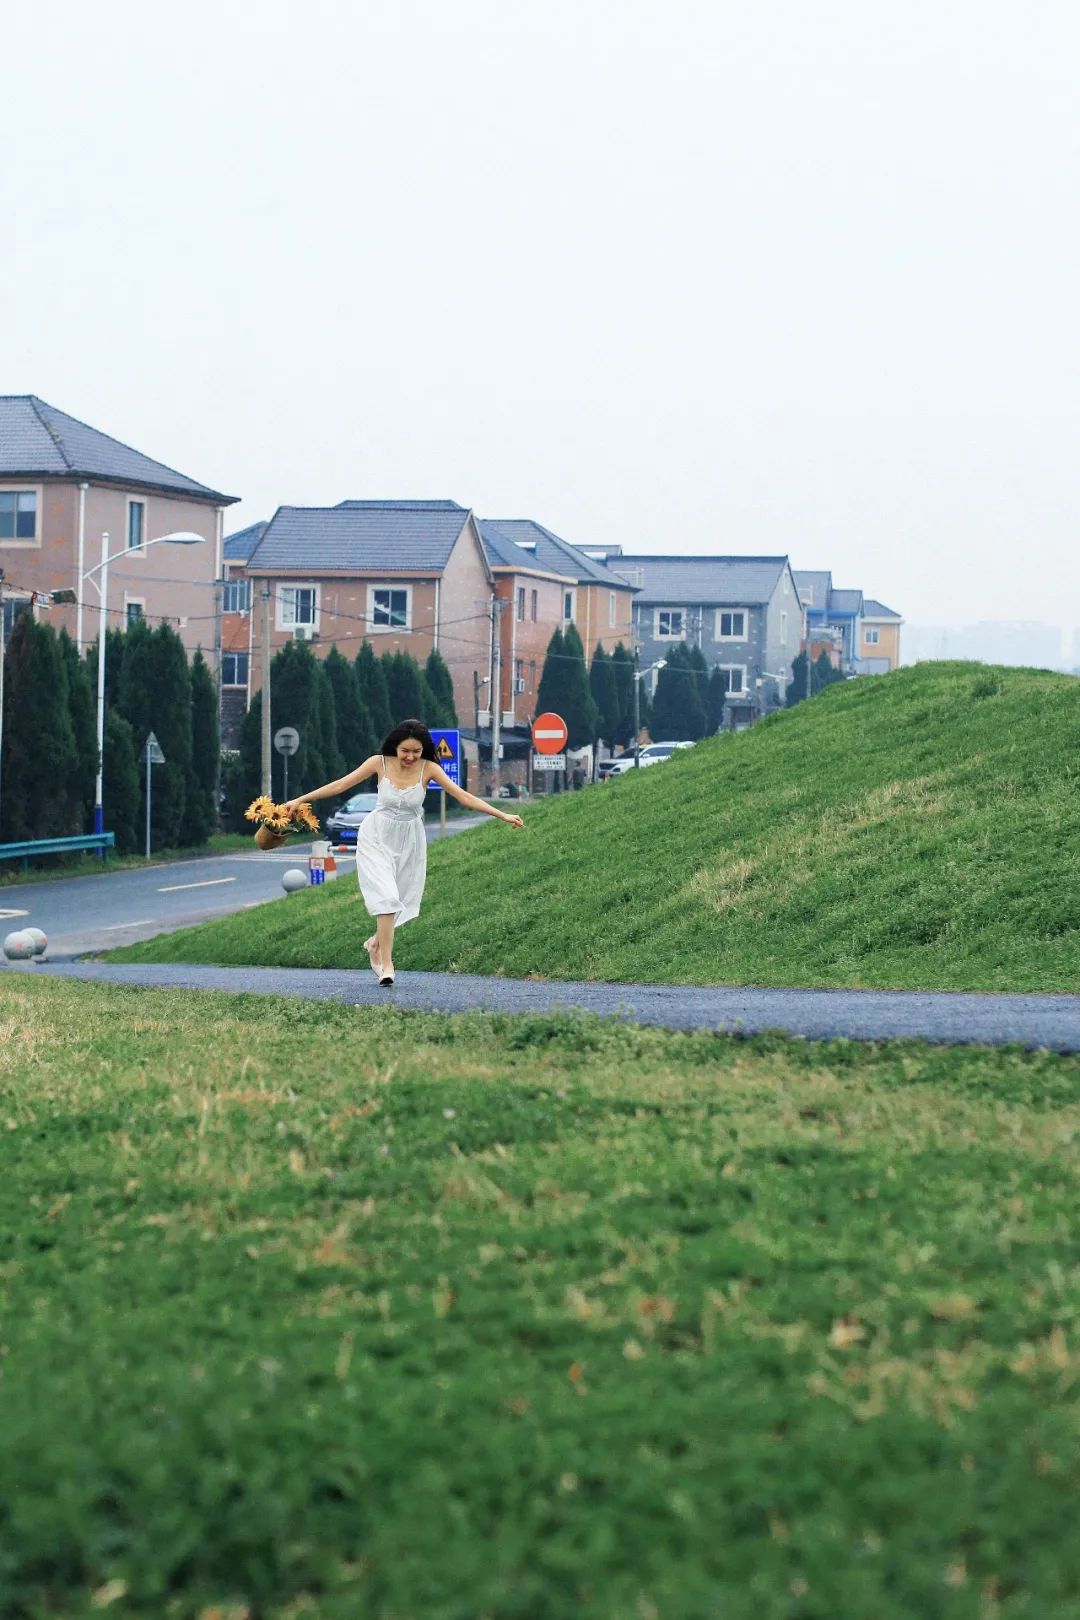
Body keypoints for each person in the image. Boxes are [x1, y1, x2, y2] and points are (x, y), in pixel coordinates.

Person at [283, 718, 523, 986]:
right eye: (405, 751)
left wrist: (502, 814)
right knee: (386, 897)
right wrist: (300, 800)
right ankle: (386, 964)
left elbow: (463, 796)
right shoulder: (379, 763)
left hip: (410, 840)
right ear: (395, 747)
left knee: (400, 901)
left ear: (423, 751)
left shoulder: (429, 768)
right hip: (376, 835)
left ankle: (375, 943)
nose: (410, 757)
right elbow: (340, 785)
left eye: (416, 752)